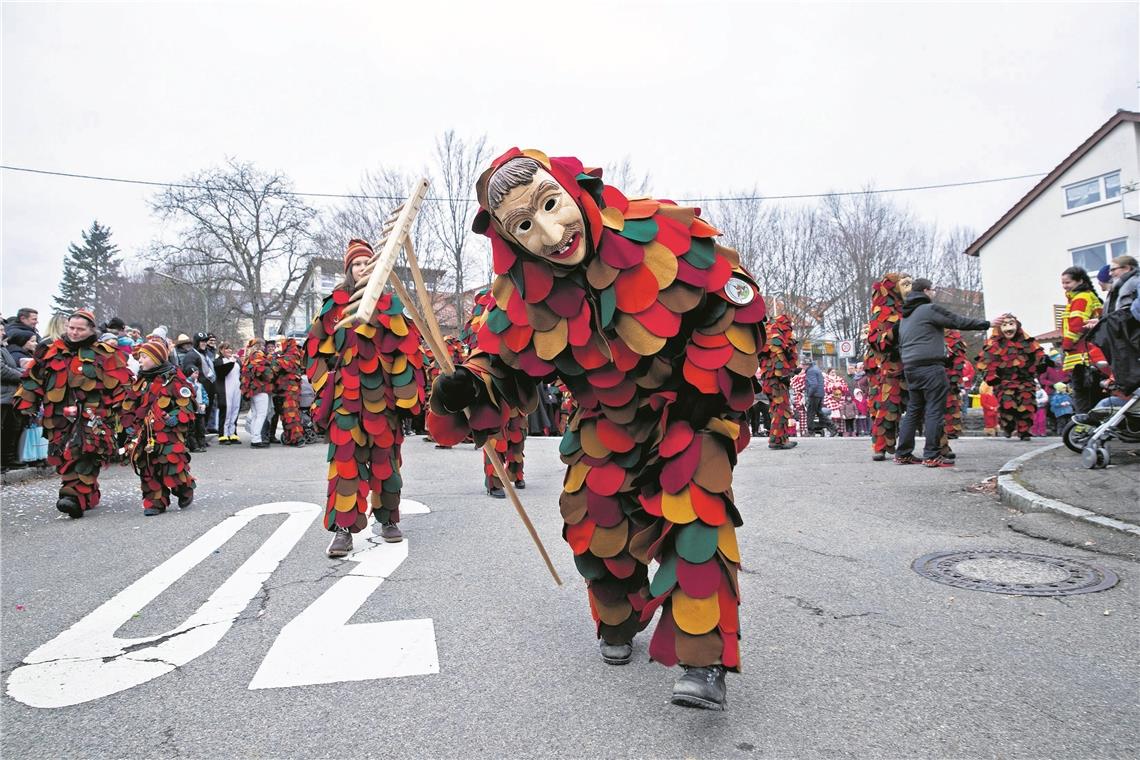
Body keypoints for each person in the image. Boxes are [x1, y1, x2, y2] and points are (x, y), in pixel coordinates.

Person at [427, 148, 765, 710]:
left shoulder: (658, 233)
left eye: (551, 204)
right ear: (510, 240)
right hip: (603, 417)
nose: (551, 232)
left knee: (695, 505)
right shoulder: (519, 297)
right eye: (525, 226)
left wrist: (705, 387)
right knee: (594, 514)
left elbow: (729, 303)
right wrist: (468, 386)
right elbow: (503, 369)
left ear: (571, 189)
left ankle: (704, 663)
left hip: (687, 404)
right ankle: (620, 616)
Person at [305, 238, 426, 557]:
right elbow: (315, 350)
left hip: (383, 398)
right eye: (356, 264)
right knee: (346, 462)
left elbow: (408, 352)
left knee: (386, 463)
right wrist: (324, 387)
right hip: (347, 396)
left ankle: (388, 521)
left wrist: (406, 396)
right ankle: (343, 530)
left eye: (367, 264)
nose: (362, 268)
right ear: (348, 270)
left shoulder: (391, 306)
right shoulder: (334, 304)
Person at [13, 308, 131, 517]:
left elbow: (121, 383)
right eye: (71, 328)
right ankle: (85, 492)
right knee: (62, 453)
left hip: (93, 413)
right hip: (57, 413)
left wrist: (124, 408)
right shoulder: (49, 349)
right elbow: (34, 378)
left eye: (80, 329)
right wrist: (27, 403)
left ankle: (72, 497)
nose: (75, 332)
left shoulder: (104, 352)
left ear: (91, 330)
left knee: (86, 451)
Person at [893, 278, 994, 466]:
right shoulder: (929, 310)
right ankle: (931, 455)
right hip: (931, 366)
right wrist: (987, 324)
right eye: (932, 290)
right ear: (925, 291)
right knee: (934, 409)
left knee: (914, 409)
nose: (934, 293)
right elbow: (957, 321)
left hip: (911, 367)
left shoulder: (906, 316)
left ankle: (903, 453)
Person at [120, 338, 196, 515]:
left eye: (144, 357)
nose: (140, 360)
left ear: (157, 358)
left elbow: (186, 402)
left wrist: (176, 417)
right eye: (139, 357)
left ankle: (183, 488)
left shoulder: (174, 378)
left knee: (172, 462)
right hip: (144, 433)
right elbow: (130, 404)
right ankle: (155, 501)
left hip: (167, 431)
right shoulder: (140, 381)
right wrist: (130, 425)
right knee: (147, 465)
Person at [975, 314, 1050, 441]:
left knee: (1026, 405)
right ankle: (1008, 426)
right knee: (1007, 404)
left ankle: (1024, 431)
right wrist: (991, 375)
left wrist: (1042, 360)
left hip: (1025, 380)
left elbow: (1038, 353)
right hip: (1005, 381)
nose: (1008, 328)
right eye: (1004, 325)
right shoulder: (994, 344)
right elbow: (986, 362)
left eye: (1011, 324)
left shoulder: (1027, 341)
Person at [865, 274, 910, 460]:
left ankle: (937, 446)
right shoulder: (883, 311)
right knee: (888, 405)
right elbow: (876, 340)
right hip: (891, 367)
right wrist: (894, 332)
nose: (910, 287)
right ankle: (881, 446)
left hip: (914, 363)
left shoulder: (911, 308)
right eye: (905, 284)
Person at [1059, 266, 1105, 414]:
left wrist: (1067, 344)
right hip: (1091, 351)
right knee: (1094, 392)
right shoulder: (1089, 296)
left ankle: (1085, 426)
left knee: (1083, 393)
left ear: (1080, 281)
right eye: (1063, 283)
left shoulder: (1081, 298)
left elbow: (1077, 324)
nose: (1065, 286)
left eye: (1068, 282)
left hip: (1082, 353)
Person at [758, 314, 797, 449]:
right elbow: (786, 353)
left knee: (776, 408)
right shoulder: (781, 331)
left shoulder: (766, 332)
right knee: (781, 408)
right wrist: (787, 372)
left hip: (768, 378)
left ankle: (780, 438)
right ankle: (778, 441)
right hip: (777, 378)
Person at [2, 322, 31, 471]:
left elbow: (10, 367)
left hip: (8, 395)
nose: (3, 333)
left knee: (10, 429)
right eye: (0, 330)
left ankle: (8, 459)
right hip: (3, 395)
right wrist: (23, 375)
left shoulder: (3, 348)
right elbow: (2, 370)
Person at [240, 340, 275, 449]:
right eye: (263, 345)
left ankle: (255, 438)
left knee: (255, 415)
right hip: (261, 389)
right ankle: (256, 439)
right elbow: (266, 373)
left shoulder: (248, 357)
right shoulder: (258, 356)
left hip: (253, 390)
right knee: (261, 415)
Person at [275, 338, 306, 446]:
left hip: (290, 391)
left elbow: (279, 365)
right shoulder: (291, 354)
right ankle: (290, 438)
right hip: (286, 389)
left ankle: (298, 438)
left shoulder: (292, 355)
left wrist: (272, 358)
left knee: (291, 413)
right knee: (286, 414)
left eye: (280, 345)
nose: (279, 347)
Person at [214, 342, 242, 443]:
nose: (229, 351)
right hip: (225, 389)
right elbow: (222, 372)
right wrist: (231, 362)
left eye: (230, 349)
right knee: (226, 410)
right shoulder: (218, 361)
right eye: (226, 349)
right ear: (221, 350)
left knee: (235, 409)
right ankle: (223, 434)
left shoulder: (237, 361)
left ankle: (232, 433)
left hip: (236, 388)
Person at [802, 357, 837, 437]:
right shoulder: (816, 369)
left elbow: (813, 385)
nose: (802, 366)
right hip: (820, 394)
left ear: (807, 365)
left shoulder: (811, 371)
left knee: (810, 413)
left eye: (803, 365)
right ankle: (832, 427)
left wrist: (809, 394)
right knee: (819, 413)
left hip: (814, 395)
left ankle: (811, 431)